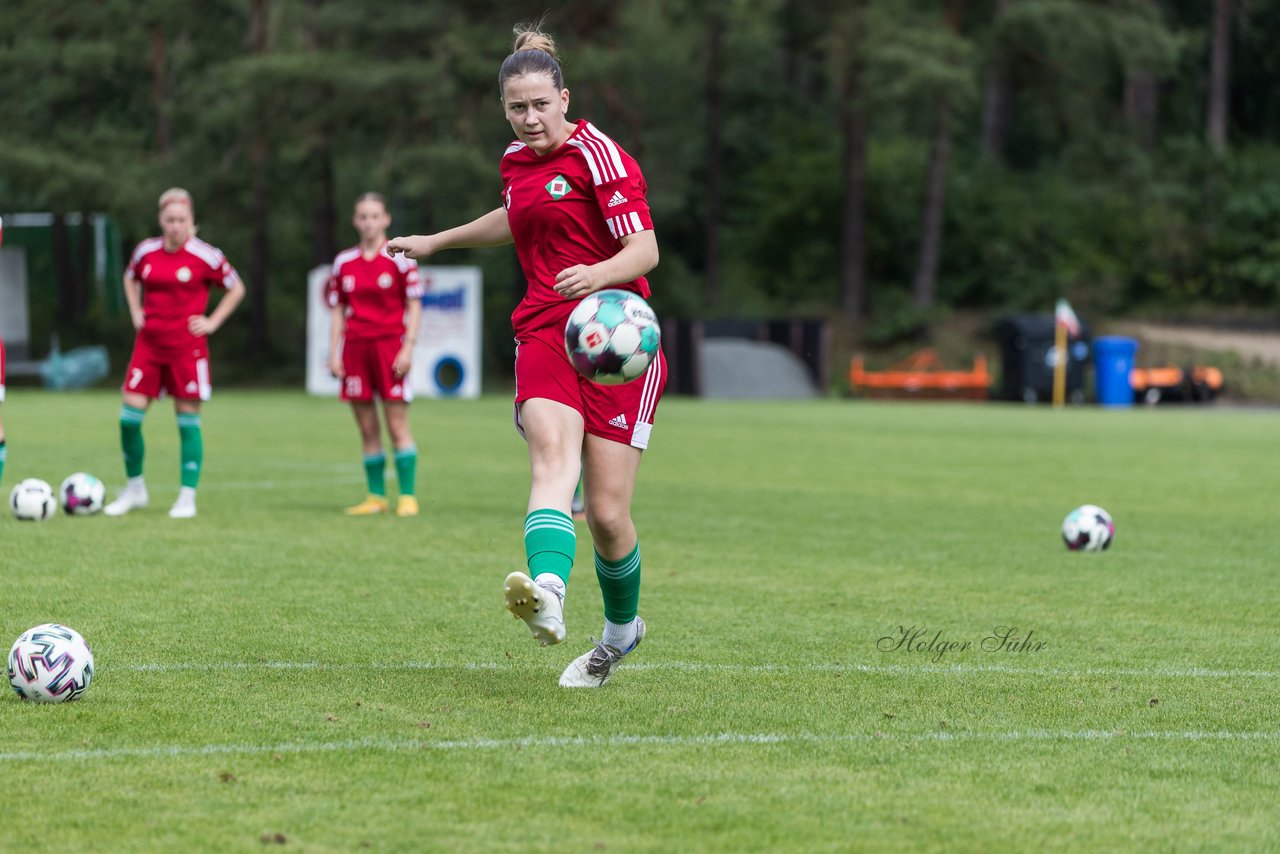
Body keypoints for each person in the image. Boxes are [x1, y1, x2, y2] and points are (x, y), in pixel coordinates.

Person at [388, 23, 666, 688]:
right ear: (505, 109)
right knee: (549, 452)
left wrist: (597, 275)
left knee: (605, 513)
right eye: (518, 107)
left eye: (542, 104)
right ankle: (548, 592)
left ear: (564, 98)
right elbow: (515, 216)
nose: (531, 117)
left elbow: (645, 250)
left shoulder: (601, 155)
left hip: (617, 341)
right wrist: (438, 240)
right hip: (545, 327)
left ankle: (621, 633)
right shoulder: (517, 161)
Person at [104, 188, 245, 519]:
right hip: (148, 348)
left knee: (187, 423)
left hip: (187, 350)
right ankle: (135, 488)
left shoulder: (206, 256)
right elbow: (130, 278)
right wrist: (136, 310)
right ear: (161, 220)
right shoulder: (145, 252)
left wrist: (212, 322)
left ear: (191, 220)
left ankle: (186, 496)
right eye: (170, 219)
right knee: (128, 421)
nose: (176, 225)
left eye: (182, 219)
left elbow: (237, 288)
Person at [327, 192, 423, 517]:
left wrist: (408, 347)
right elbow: (339, 309)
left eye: (374, 216)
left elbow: (414, 304)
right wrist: (334, 353)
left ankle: (407, 496)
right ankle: (376, 496)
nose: (369, 222)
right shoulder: (343, 262)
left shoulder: (401, 258)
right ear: (356, 221)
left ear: (386, 220)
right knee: (367, 427)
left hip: (389, 347)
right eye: (363, 216)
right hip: (355, 348)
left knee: (397, 425)